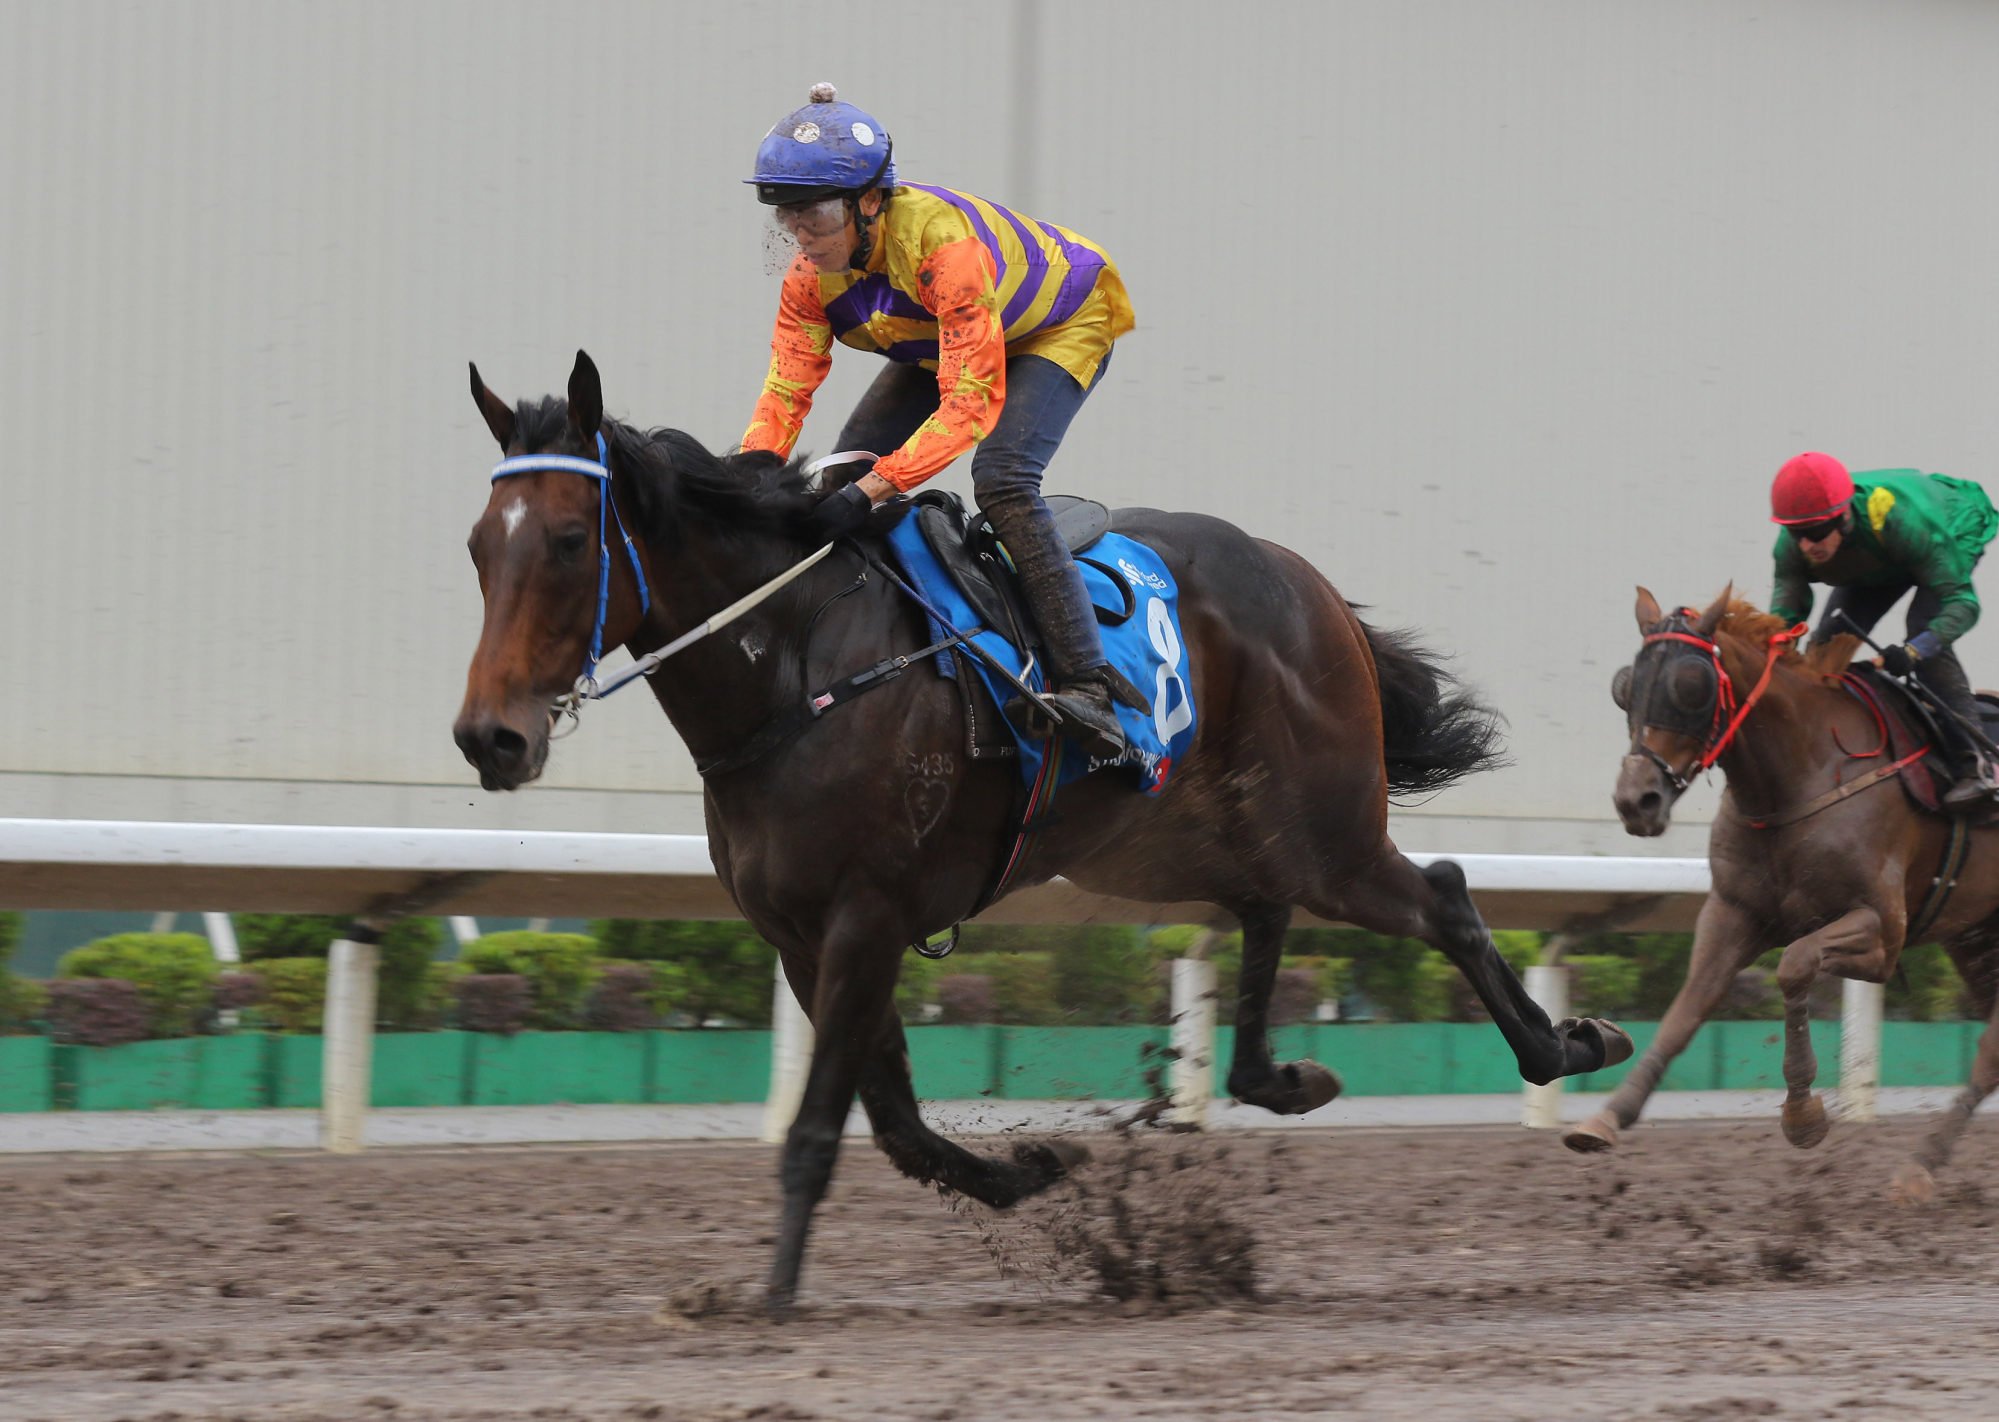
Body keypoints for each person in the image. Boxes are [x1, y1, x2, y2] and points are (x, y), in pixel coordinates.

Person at [739, 83, 1137, 760]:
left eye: (817, 217)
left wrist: (873, 491)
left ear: (870, 202)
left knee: (1003, 477)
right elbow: (785, 386)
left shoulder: (942, 247)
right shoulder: (809, 276)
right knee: (837, 476)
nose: (801, 237)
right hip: (937, 335)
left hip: (1055, 324)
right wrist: (753, 473)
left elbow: (969, 402)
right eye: (788, 218)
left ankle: (1087, 687)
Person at [1769, 451, 1999, 810]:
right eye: (1797, 533)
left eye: (1815, 533)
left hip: (1947, 528)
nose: (1807, 545)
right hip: (1879, 558)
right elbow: (1783, 621)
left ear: (1844, 516)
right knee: (1825, 648)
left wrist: (1914, 651)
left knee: (1921, 630)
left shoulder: (1899, 521)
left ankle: (1979, 763)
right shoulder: (1792, 549)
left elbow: (1964, 605)